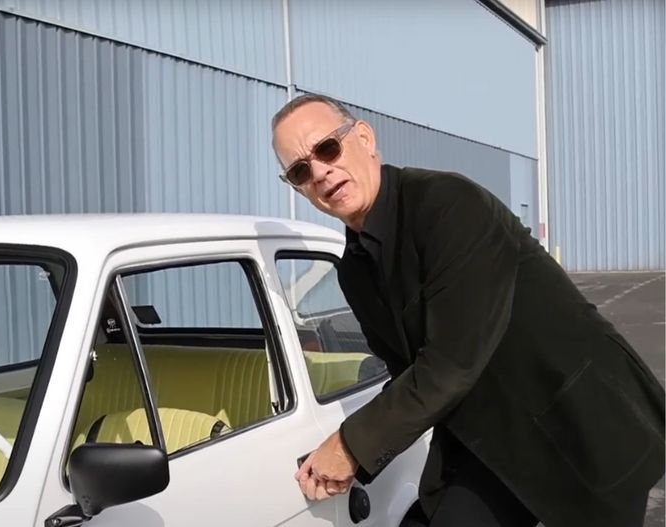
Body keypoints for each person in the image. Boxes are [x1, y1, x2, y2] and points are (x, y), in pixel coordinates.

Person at [270, 93, 665, 527]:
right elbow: (407, 373)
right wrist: (356, 451)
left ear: (364, 138)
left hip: (576, 420)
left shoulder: (449, 204)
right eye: (300, 170)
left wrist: (350, 446)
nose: (320, 172)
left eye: (328, 148)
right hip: (489, 438)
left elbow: (451, 362)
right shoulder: (355, 271)